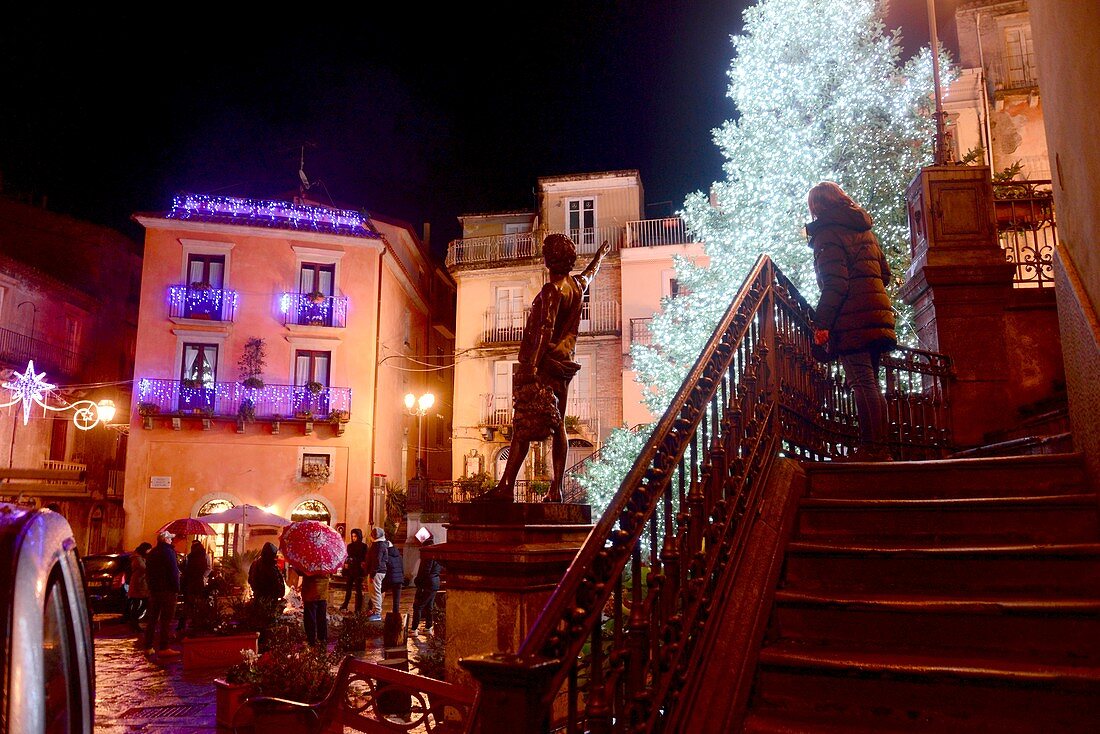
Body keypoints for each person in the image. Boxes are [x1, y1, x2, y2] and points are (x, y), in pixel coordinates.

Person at [483, 234, 611, 502]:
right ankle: (557, 489)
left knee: (523, 426)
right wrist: (599, 257)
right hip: (563, 366)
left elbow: (544, 329)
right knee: (558, 425)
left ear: (549, 259)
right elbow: (589, 275)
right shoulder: (576, 286)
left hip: (544, 364)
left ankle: (506, 487)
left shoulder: (552, 290)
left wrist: (530, 366)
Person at [807, 181, 897, 461]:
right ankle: (879, 447)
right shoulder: (863, 228)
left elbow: (835, 283)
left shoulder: (827, 233)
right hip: (875, 314)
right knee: (870, 383)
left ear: (817, 207)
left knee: (863, 383)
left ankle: (874, 450)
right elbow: (885, 273)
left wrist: (822, 324)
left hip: (853, 318)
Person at [143, 530, 181, 659]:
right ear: (165, 540)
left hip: (154, 590)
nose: (171, 540)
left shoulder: (152, 552)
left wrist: (151, 587)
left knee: (153, 619)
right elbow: (173, 571)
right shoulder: (168, 552)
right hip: (167, 590)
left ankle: (148, 646)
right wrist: (176, 587)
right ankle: (164, 647)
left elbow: (147, 572)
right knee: (166, 619)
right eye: (170, 538)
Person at [410, 537, 441, 635]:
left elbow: (424, 571)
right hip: (434, 583)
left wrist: (418, 581)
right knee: (429, 606)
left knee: (418, 606)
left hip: (427, 584)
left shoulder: (428, 556)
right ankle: (428, 627)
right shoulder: (437, 555)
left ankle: (414, 629)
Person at [177, 539, 210, 634]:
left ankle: (183, 624)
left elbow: (183, 569)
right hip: (198, 582)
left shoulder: (189, 557)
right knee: (197, 603)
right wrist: (203, 576)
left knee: (188, 604)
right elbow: (208, 567)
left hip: (190, 583)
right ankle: (196, 622)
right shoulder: (204, 556)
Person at [339, 528, 368, 613]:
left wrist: (356, 560)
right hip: (351, 570)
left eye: (355, 536)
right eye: (352, 536)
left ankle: (358, 608)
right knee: (348, 588)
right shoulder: (350, 546)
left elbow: (364, 558)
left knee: (358, 589)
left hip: (358, 570)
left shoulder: (364, 546)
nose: (354, 538)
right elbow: (348, 556)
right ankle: (345, 604)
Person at [125, 542, 152, 630]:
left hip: (141, 583)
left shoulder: (139, 557)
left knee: (142, 603)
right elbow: (143, 568)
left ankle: (134, 621)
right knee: (140, 602)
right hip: (138, 583)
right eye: (148, 549)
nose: (149, 551)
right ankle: (134, 621)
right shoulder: (137, 558)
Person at [299, 572, 330, 646]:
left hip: (310, 592)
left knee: (310, 619)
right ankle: (322, 639)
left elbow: (302, 572)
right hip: (322, 594)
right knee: (321, 618)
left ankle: (311, 640)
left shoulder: (310, 564)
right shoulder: (326, 564)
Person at [364, 527, 389, 621]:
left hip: (376, 572)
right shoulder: (381, 544)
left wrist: (373, 574)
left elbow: (377, 560)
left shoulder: (378, 545)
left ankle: (377, 612)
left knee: (375, 592)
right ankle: (375, 610)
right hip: (378, 571)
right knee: (374, 591)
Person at [382, 540, 404, 616]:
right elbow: (402, 568)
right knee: (396, 601)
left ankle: (373, 611)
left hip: (390, 579)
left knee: (376, 593)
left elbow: (385, 569)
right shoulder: (399, 555)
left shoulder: (386, 556)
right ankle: (396, 617)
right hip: (399, 580)